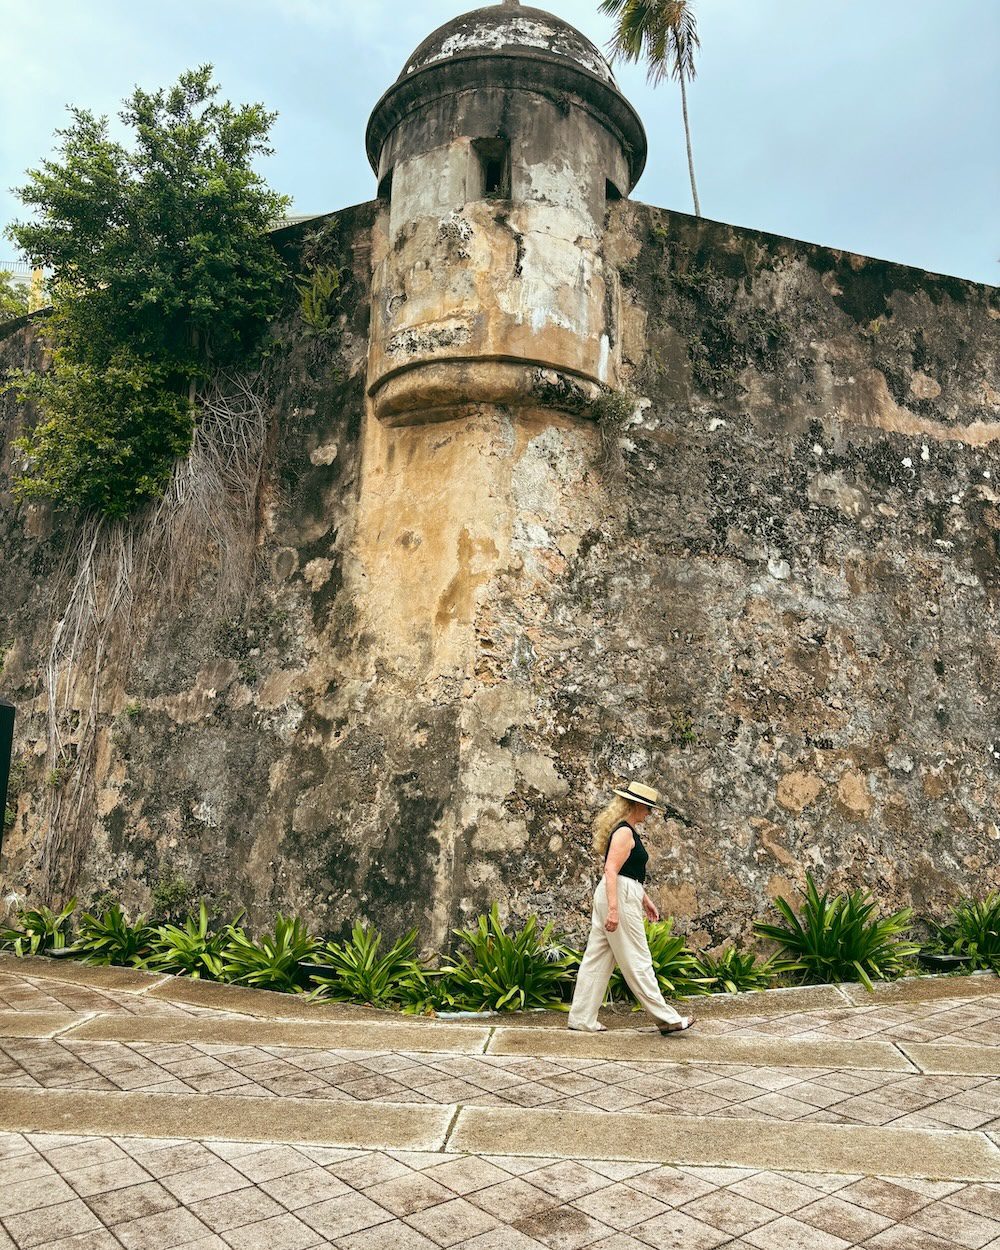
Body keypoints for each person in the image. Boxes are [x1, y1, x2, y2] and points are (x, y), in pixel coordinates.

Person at [567, 781, 695, 1035]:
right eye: (647, 808)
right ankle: (666, 1018)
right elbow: (611, 871)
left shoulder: (624, 830)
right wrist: (614, 910)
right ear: (637, 805)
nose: (649, 813)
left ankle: (581, 1018)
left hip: (618, 892)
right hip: (618, 895)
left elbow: (627, 873)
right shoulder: (625, 833)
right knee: (638, 959)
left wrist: (645, 900)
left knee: (597, 959)